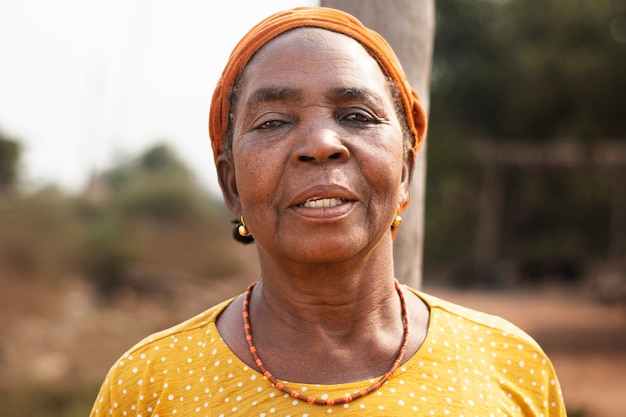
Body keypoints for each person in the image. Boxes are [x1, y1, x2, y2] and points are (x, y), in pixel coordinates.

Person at [90, 7, 566, 416]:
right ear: (231, 185)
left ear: (405, 171)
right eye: (273, 122)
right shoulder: (148, 387)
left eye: (356, 116)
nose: (320, 145)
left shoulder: (508, 365)